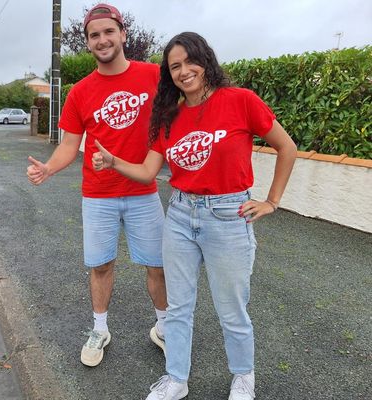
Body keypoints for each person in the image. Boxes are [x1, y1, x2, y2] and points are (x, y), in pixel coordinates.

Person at [92, 32, 297, 399]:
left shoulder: (240, 101)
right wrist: (113, 161)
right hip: (182, 216)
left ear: (206, 60)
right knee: (179, 307)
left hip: (228, 216)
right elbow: (147, 172)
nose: (184, 71)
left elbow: (286, 147)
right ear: (168, 74)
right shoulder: (168, 117)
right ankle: (176, 379)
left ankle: (243, 377)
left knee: (231, 308)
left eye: (190, 61)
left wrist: (272, 201)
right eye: (175, 66)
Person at [26, 3, 167, 367]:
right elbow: (70, 145)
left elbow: (184, 107)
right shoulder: (80, 92)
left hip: (143, 192)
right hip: (99, 195)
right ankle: (100, 329)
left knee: (157, 265)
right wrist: (49, 168)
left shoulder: (153, 75)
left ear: (122, 34)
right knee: (101, 265)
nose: (102, 39)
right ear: (87, 43)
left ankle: (164, 327)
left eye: (108, 32)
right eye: (94, 35)